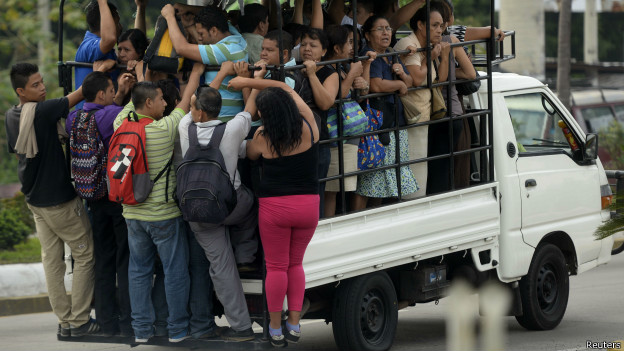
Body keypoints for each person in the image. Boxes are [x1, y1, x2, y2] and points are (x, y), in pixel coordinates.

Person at [4, 62, 110, 338]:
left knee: (52, 262)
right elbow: (81, 93)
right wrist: (99, 71)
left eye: (42, 82)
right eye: (35, 85)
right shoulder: (41, 112)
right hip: (59, 202)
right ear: (21, 91)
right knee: (85, 255)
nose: (43, 87)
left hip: (35, 200)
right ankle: (79, 321)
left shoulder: (12, 115)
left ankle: (64, 322)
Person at [113, 62, 204, 343]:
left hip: (131, 213)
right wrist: (198, 74)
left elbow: (135, 100)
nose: (166, 103)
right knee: (175, 271)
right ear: (150, 102)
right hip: (164, 216)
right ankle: (176, 330)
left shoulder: (121, 123)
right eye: (162, 99)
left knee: (138, 272)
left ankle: (141, 330)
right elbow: (185, 105)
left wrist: (143, 79)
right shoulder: (163, 130)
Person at [177, 68, 258, 341]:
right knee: (249, 198)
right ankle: (246, 253)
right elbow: (249, 109)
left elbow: (198, 100)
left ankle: (241, 327)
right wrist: (254, 81)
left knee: (221, 268)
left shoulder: (184, 128)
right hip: (232, 208)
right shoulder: (232, 130)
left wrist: (220, 77)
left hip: (197, 212)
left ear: (198, 112)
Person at [240, 77, 320, 347]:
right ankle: (294, 324)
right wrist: (257, 81)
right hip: (308, 206)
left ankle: (275, 328)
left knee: (276, 267)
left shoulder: (263, 137)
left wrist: (244, 88)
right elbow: (287, 88)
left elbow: (250, 155)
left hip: (275, 208)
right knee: (296, 264)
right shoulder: (308, 125)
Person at [65, 69, 135, 336]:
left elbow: (109, 112)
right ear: (102, 94)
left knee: (103, 260)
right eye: (110, 91)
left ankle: (106, 322)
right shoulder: (110, 116)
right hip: (115, 195)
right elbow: (131, 110)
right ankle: (129, 322)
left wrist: (116, 91)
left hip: (91, 196)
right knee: (125, 259)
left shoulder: (75, 118)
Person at [352, 15, 419, 210]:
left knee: (385, 178)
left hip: (392, 120)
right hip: (376, 123)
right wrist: (398, 83)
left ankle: (374, 217)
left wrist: (401, 74)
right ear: (367, 34)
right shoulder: (368, 54)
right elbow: (375, 85)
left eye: (388, 28)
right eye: (380, 29)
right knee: (370, 178)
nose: (386, 33)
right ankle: (358, 220)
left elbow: (409, 83)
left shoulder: (390, 53)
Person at [310, 25, 373, 216]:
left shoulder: (343, 66)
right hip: (334, 135)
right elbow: (339, 96)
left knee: (336, 189)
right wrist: (353, 75)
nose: (354, 47)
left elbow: (360, 96)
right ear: (337, 48)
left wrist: (363, 75)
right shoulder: (328, 69)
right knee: (331, 190)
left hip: (344, 135)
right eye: (350, 42)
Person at [161, 4, 248, 122]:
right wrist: (188, 9)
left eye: (201, 34)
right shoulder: (235, 37)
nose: (199, 38)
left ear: (213, 30)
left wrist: (169, 16)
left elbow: (181, 48)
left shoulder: (225, 50)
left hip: (220, 121)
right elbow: (218, 14)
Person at [393, 4, 445, 199]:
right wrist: (429, 58)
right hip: (411, 118)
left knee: (419, 173)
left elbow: (438, 79)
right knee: (413, 176)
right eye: (435, 25)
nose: (440, 30)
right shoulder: (409, 44)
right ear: (421, 25)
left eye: (441, 26)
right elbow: (416, 79)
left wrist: (440, 56)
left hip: (422, 116)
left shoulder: (427, 47)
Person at [427, 0, 476, 194]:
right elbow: (471, 74)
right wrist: (454, 73)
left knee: (432, 167)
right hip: (451, 110)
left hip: (430, 113)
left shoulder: (419, 43)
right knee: (445, 168)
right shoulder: (451, 41)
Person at [300, 27, 332, 217]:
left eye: (313, 45)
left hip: (318, 141)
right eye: (303, 44)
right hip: (295, 140)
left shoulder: (329, 72)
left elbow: (325, 103)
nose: (307, 48)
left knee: (315, 193)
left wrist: (312, 74)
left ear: (324, 51)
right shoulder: (294, 66)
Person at [74, 0, 123, 108]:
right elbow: (110, 38)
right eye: (116, 22)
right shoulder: (88, 46)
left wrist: (141, 8)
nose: (120, 27)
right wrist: (102, 2)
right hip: (90, 119)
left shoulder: (109, 51)